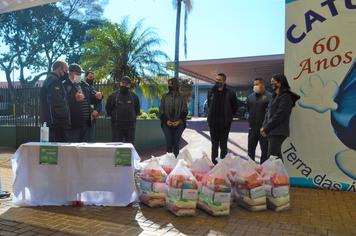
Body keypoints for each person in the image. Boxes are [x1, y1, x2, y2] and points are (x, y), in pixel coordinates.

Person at [260, 73, 300, 160]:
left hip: (278, 131)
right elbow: (268, 113)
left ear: (280, 83)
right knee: (276, 158)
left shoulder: (286, 97)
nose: (271, 84)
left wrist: (267, 127)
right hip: (271, 131)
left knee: (272, 158)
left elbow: (280, 115)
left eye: (273, 82)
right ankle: (280, 173)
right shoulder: (274, 96)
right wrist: (264, 126)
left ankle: (277, 173)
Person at [207, 73, 238, 164]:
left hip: (225, 124)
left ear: (224, 81)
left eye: (219, 80)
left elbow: (234, 107)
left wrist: (229, 117)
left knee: (223, 145)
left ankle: (223, 164)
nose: (217, 81)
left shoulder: (230, 92)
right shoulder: (211, 91)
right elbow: (209, 105)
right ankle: (214, 163)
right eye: (216, 79)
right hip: (213, 123)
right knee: (214, 145)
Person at [63, 64, 97, 142]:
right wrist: (74, 99)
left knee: (85, 149)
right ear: (70, 73)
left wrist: (99, 96)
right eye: (77, 73)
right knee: (73, 149)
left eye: (80, 74)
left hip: (86, 123)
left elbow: (91, 98)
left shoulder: (84, 85)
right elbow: (62, 103)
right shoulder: (64, 85)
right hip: (73, 124)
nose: (79, 75)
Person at [40, 60, 71, 142]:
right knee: (59, 147)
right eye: (66, 70)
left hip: (55, 121)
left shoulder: (53, 79)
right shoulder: (53, 80)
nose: (66, 72)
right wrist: (64, 118)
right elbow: (56, 100)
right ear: (60, 68)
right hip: (56, 122)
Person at [106, 76, 140, 143]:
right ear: (120, 83)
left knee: (130, 146)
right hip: (117, 126)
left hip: (130, 126)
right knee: (116, 146)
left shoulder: (134, 96)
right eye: (123, 83)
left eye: (126, 84)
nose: (124, 85)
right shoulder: (113, 96)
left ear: (129, 85)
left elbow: (137, 110)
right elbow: (108, 109)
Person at [159, 78, 188, 157]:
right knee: (169, 143)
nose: (169, 85)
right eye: (168, 84)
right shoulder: (164, 96)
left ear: (176, 85)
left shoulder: (182, 97)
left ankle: (175, 163)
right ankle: (168, 164)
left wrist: (179, 121)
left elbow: (185, 111)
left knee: (176, 143)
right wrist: (166, 121)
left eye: (171, 84)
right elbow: (161, 110)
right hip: (166, 124)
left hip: (179, 124)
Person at [246, 78, 271, 164]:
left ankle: (263, 171)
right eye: (254, 84)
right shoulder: (250, 97)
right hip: (252, 128)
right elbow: (249, 110)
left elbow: (270, 113)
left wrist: (266, 127)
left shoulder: (269, 96)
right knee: (250, 151)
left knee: (265, 151)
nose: (255, 86)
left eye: (257, 84)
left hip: (264, 130)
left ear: (263, 85)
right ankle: (250, 170)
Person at [85, 71, 103, 142]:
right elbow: (85, 101)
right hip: (84, 117)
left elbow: (99, 101)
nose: (91, 79)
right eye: (90, 77)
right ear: (85, 77)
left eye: (93, 78)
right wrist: (91, 112)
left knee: (90, 139)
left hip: (93, 118)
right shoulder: (81, 87)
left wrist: (97, 111)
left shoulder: (94, 88)